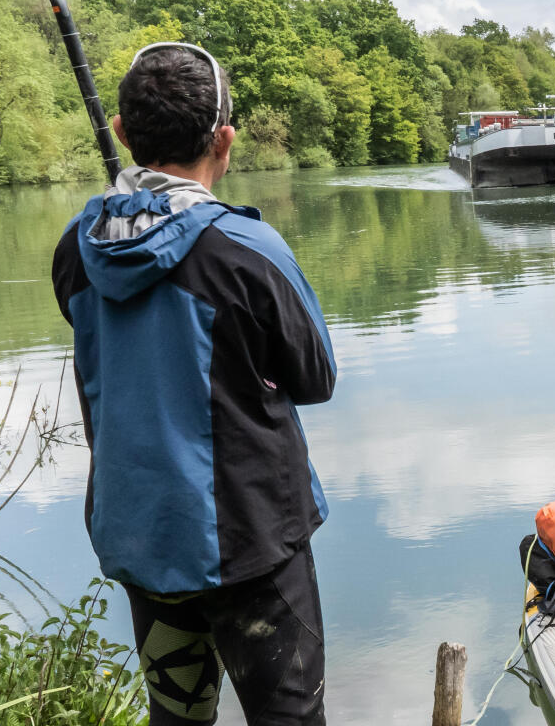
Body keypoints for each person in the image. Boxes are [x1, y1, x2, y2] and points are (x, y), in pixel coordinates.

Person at [50, 41, 336, 726]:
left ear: (122, 134)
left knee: (177, 718)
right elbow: (315, 377)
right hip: (253, 539)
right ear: (226, 138)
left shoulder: (76, 248)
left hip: (142, 533)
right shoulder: (248, 249)